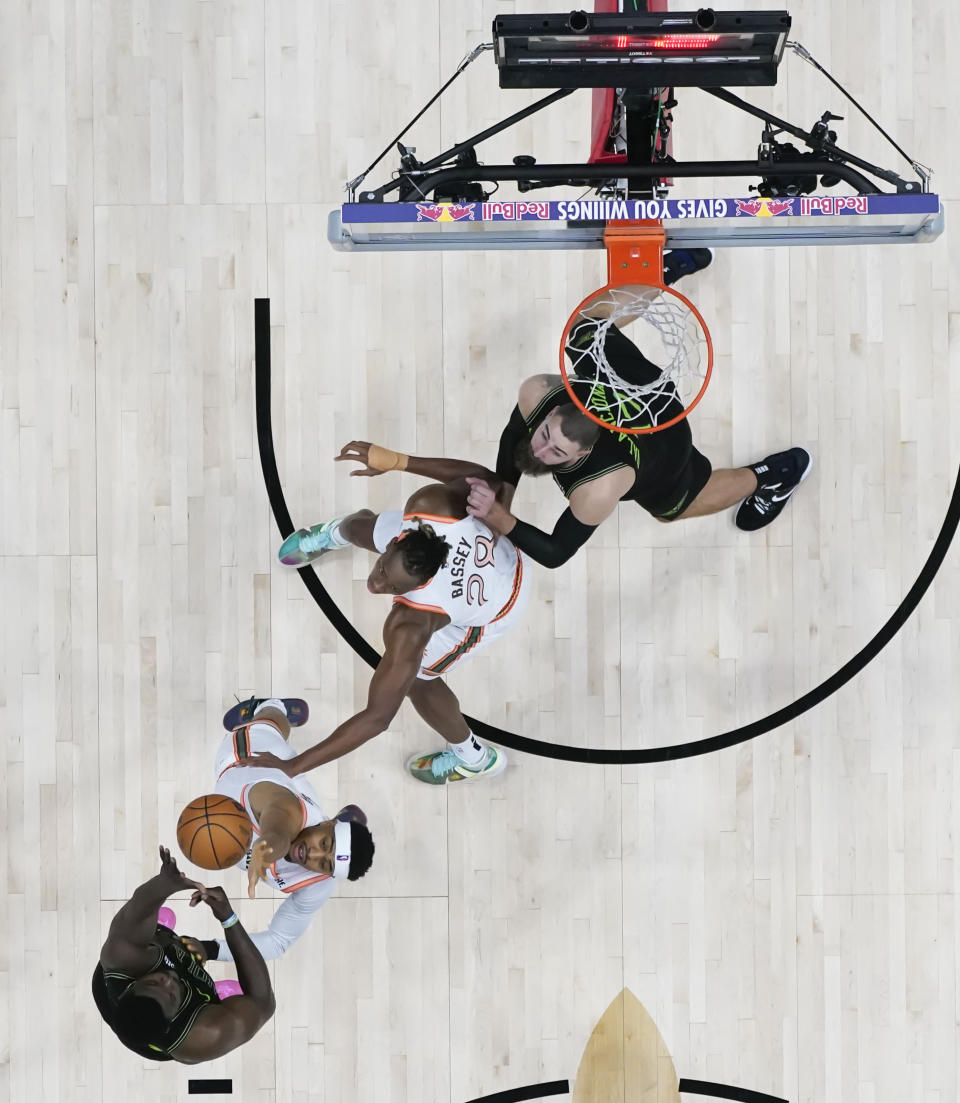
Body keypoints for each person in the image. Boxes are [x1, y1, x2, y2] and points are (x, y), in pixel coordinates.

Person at [264, 477, 531, 785]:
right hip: (501, 555)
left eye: (391, 586)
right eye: (381, 570)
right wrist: (401, 463)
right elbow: (487, 476)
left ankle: (474, 759)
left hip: (500, 604)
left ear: (418, 588)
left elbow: (378, 718)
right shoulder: (431, 506)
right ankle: (330, 535)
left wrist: (293, 767)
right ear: (397, 542)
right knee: (360, 527)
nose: (374, 584)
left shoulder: (412, 625)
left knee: (418, 681)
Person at [209, 697, 375, 960]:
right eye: (325, 845)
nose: (313, 856)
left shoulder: (319, 885)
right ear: (327, 826)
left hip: (295, 802)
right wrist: (265, 850)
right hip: (249, 757)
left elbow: (277, 942)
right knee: (273, 725)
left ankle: (344, 825)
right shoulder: (288, 810)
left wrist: (211, 950)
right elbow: (279, 830)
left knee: (335, 845)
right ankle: (272, 707)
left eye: (326, 864)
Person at [93, 847, 275, 1063]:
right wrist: (228, 917)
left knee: (140, 928)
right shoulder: (204, 1034)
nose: (169, 980)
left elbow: (136, 909)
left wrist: (164, 885)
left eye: (153, 983)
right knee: (239, 1012)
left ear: (131, 987)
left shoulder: (121, 959)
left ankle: (158, 931)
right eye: (171, 995)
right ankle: (210, 991)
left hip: (128, 969)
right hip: (180, 1024)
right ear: (172, 1019)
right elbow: (263, 1003)